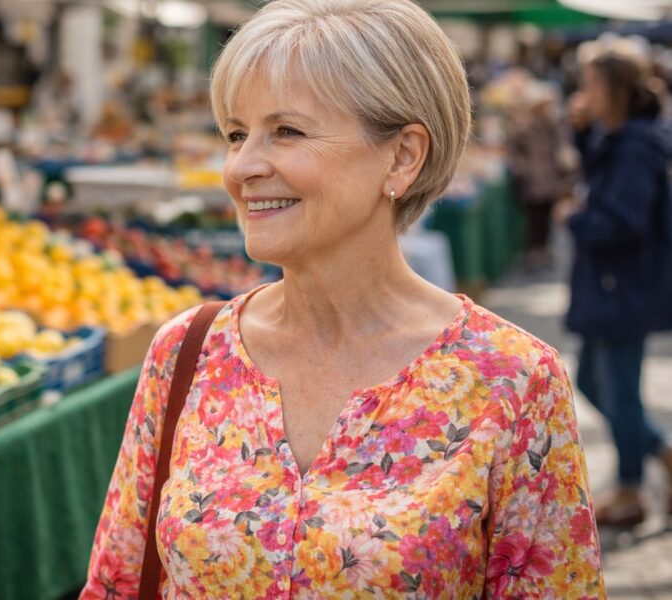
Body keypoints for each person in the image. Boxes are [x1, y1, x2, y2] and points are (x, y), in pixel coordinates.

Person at [82, 0, 605, 597]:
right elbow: (116, 584)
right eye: (236, 134)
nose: (242, 166)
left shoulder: (512, 380)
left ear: (402, 157)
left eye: (287, 131)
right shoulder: (187, 352)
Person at [556, 49, 672, 528]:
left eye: (592, 85)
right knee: (589, 380)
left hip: (624, 285)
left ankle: (630, 488)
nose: (584, 93)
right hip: (610, 285)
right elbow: (600, 174)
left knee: (621, 391)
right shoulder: (618, 136)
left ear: (617, 91)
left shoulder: (638, 144)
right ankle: (662, 453)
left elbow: (625, 220)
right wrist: (583, 132)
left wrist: (575, 219)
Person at [507, 82, 574, 270]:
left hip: (549, 180)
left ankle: (544, 250)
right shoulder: (525, 129)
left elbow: (562, 148)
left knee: (546, 218)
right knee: (535, 219)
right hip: (533, 181)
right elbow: (515, 153)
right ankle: (536, 252)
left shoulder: (553, 127)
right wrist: (522, 170)